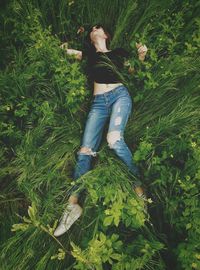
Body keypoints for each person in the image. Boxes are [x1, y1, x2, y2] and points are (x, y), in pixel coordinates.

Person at [54, 24, 148, 237]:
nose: (93, 29)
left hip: (119, 96)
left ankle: (139, 189)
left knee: (114, 139)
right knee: (85, 150)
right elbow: (64, 52)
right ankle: (72, 206)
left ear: (105, 34)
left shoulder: (118, 53)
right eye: (91, 29)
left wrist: (141, 55)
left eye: (97, 27)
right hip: (98, 103)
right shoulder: (88, 55)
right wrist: (62, 47)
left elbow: (133, 71)